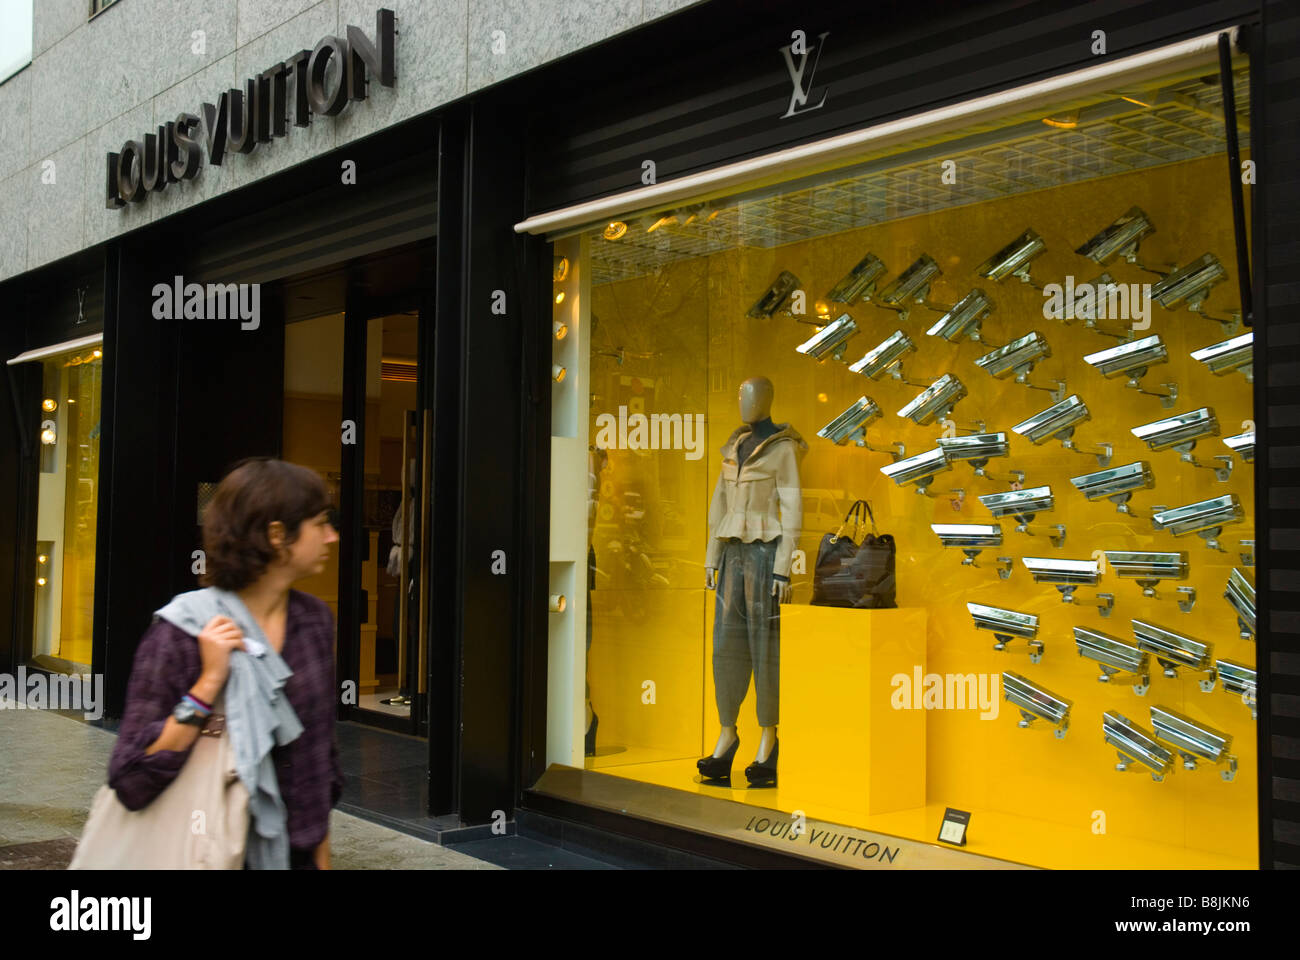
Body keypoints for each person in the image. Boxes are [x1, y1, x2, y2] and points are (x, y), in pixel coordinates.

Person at [107, 458, 345, 869]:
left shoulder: (314, 622)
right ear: (277, 535)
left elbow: (318, 760)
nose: (332, 537)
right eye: (320, 523)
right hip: (208, 850)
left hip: (295, 854)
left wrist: (321, 860)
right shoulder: (181, 632)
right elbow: (130, 777)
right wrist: (208, 682)